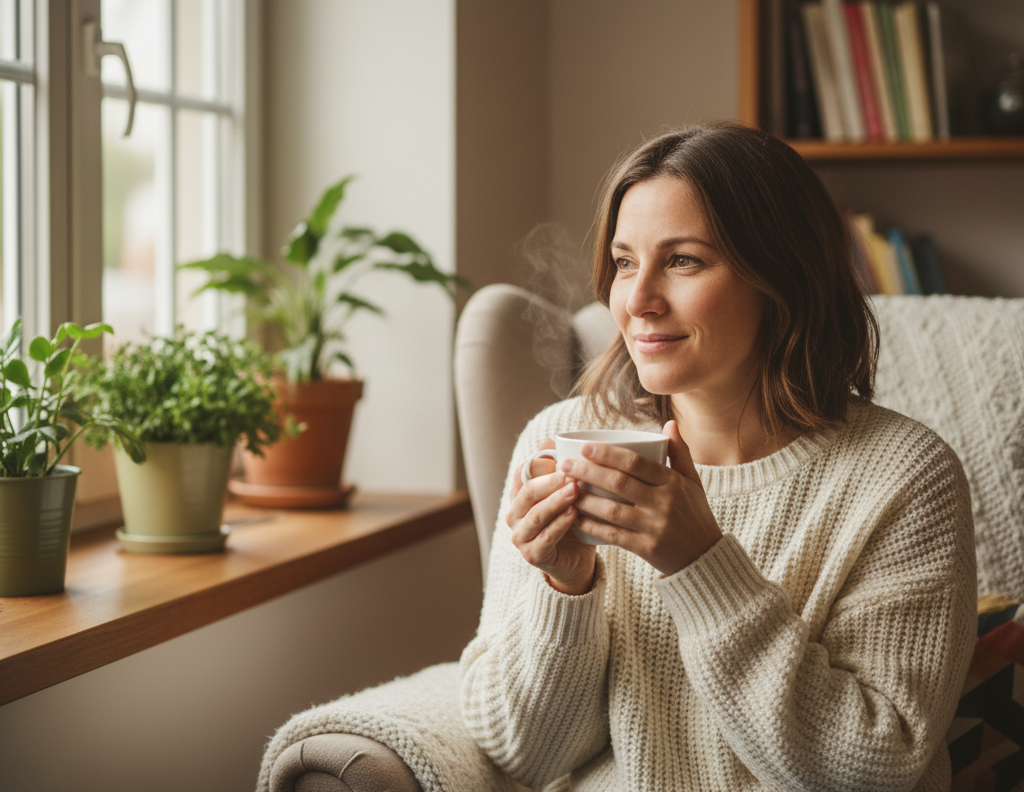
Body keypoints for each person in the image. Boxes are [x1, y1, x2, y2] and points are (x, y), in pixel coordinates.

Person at [458, 122, 976, 791]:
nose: (637, 300)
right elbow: (524, 756)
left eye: (683, 261)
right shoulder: (561, 444)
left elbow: (873, 768)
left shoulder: (905, 477)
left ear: (782, 277)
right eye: (622, 262)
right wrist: (566, 588)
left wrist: (699, 563)